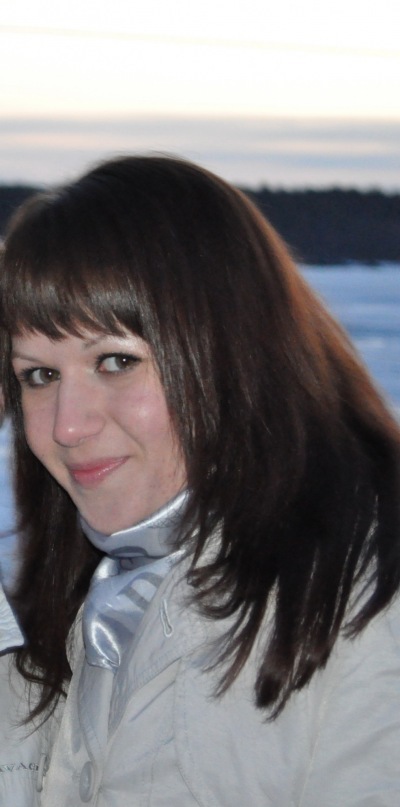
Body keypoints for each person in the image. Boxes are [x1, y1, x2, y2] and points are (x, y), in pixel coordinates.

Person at [0, 155, 400, 806]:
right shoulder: (104, 597)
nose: (67, 426)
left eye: (115, 361)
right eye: (39, 375)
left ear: (233, 349)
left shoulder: (365, 604)